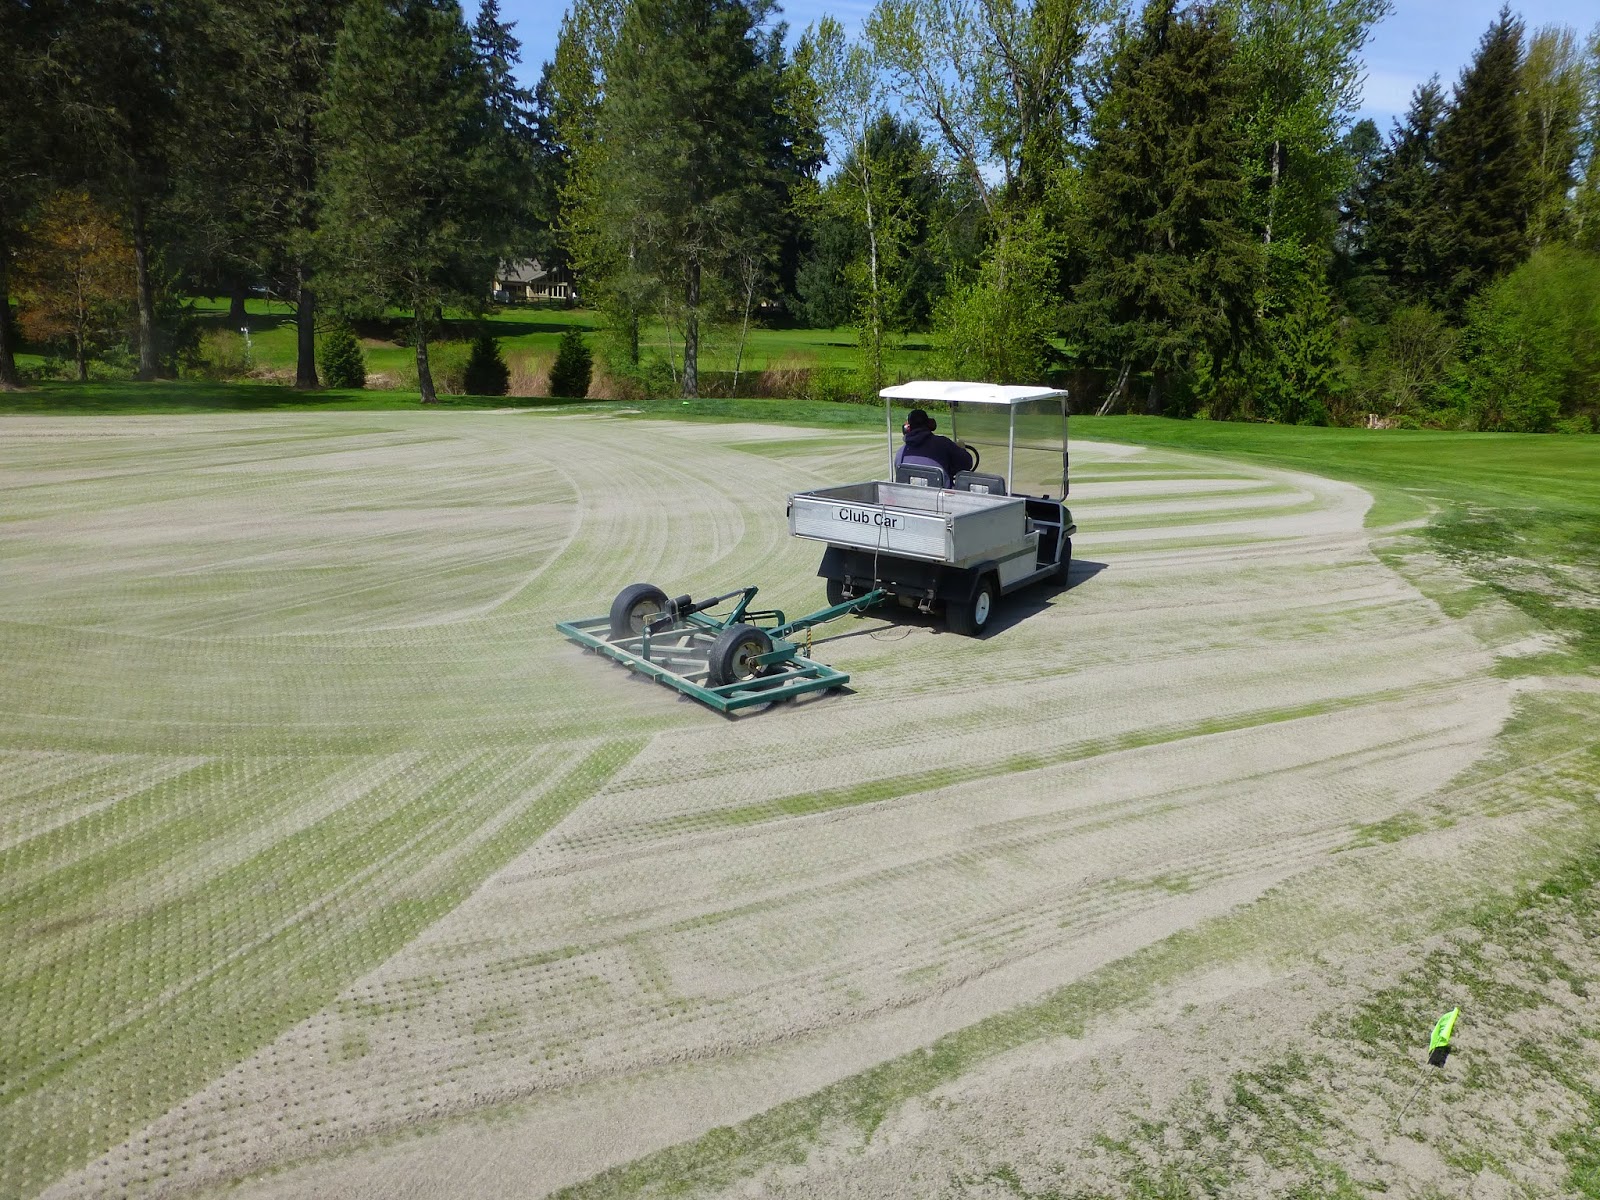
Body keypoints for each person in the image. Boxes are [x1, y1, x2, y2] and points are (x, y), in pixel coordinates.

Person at [894, 408, 973, 484]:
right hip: (940, 496)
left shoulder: (901, 453)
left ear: (907, 428)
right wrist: (961, 449)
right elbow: (967, 464)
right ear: (930, 424)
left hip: (910, 496)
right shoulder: (944, 444)